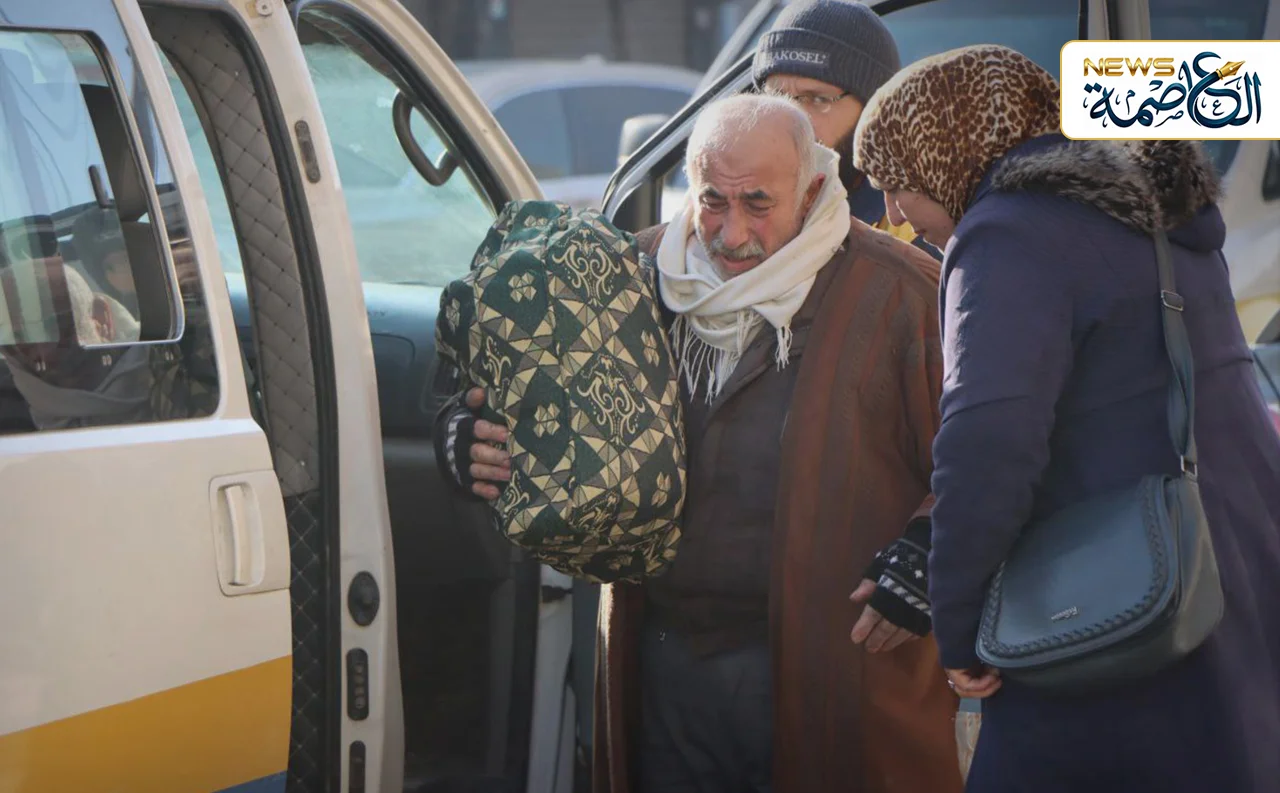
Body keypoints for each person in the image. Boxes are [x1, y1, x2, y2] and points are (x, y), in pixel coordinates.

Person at [435, 94, 964, 793]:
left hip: (835, 678)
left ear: (811, 191)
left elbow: (981, 462)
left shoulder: (903, 294)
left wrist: (931, 553)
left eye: (758, 204)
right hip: (666, 662)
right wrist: (466, 437)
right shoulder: (627, 275)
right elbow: (510, 386)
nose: (731, 232)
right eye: (713, 200)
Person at [854, 44, 1280, 792]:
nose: (893, 214)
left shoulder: (1009, 234)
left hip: (1118, 600)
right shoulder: (1153, 208)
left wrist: (958, 622)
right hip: (1229, 560)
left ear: (950, 152)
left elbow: (988, 443)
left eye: (899, 183)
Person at [752, 0, 937, 257]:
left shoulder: (916, 231)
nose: (794, 120)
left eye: (818, 100)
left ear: (875, 111)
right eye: (777, 99)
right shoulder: (727, 206)